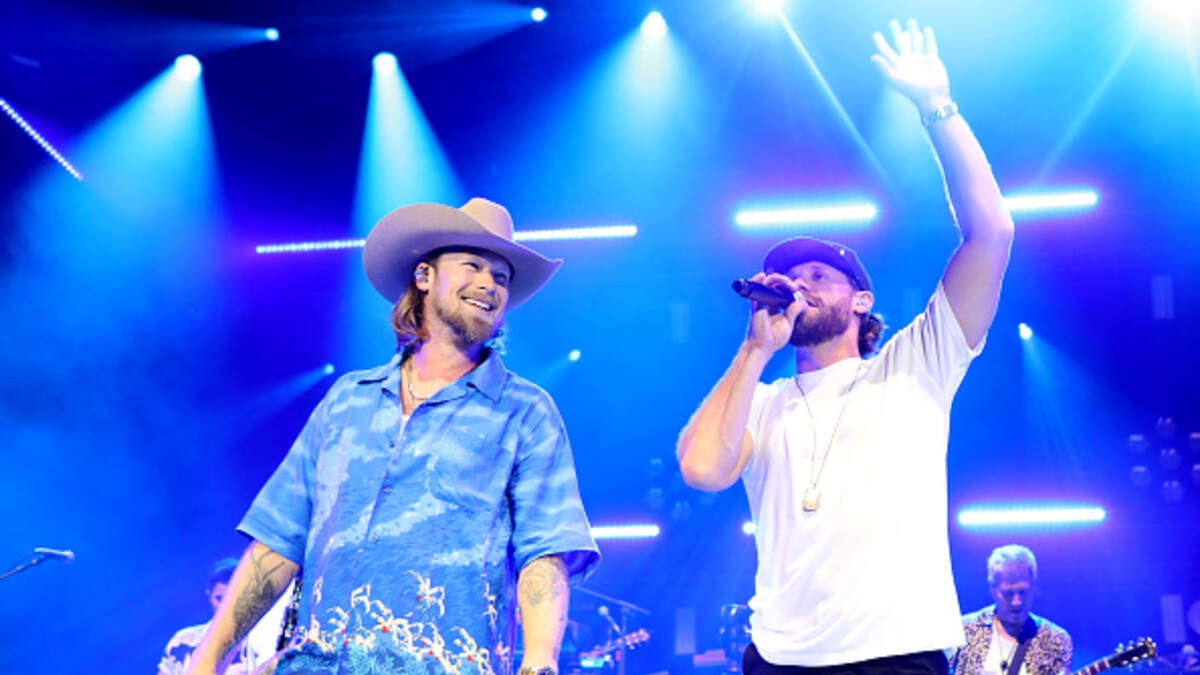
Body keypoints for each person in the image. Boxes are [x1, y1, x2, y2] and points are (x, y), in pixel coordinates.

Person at [676, 19, 1014, 675]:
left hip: (895, 654)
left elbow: (992, 234)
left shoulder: (914, 365)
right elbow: (703, 470)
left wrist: (936, 107)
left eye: (818, 276)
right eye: (789, 278)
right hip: (778, 657)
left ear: (862, 300)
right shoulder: (763, 398)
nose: (799, 286)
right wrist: (753, 350)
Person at [185, 197, 600, 675]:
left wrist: (541, 661)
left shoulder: (524, 411)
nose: (490, 283)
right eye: (473, 265)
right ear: (424, 276)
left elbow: (544, 550)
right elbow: (277, 541)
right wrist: (206, 659)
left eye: (502, 277)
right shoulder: (347, 401)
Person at [948, 545, 1072, 674]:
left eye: (1023, 592)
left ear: (1034, 588)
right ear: (992, 590)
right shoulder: (964, 631)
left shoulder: (1056, 641)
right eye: (1008, 593)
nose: (1016, 602)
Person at [160, 558, 289, 675]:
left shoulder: (263, 641)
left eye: (234, 599)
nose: (226, 606)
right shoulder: (183, 641)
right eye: (220, 598)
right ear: (209, 595)